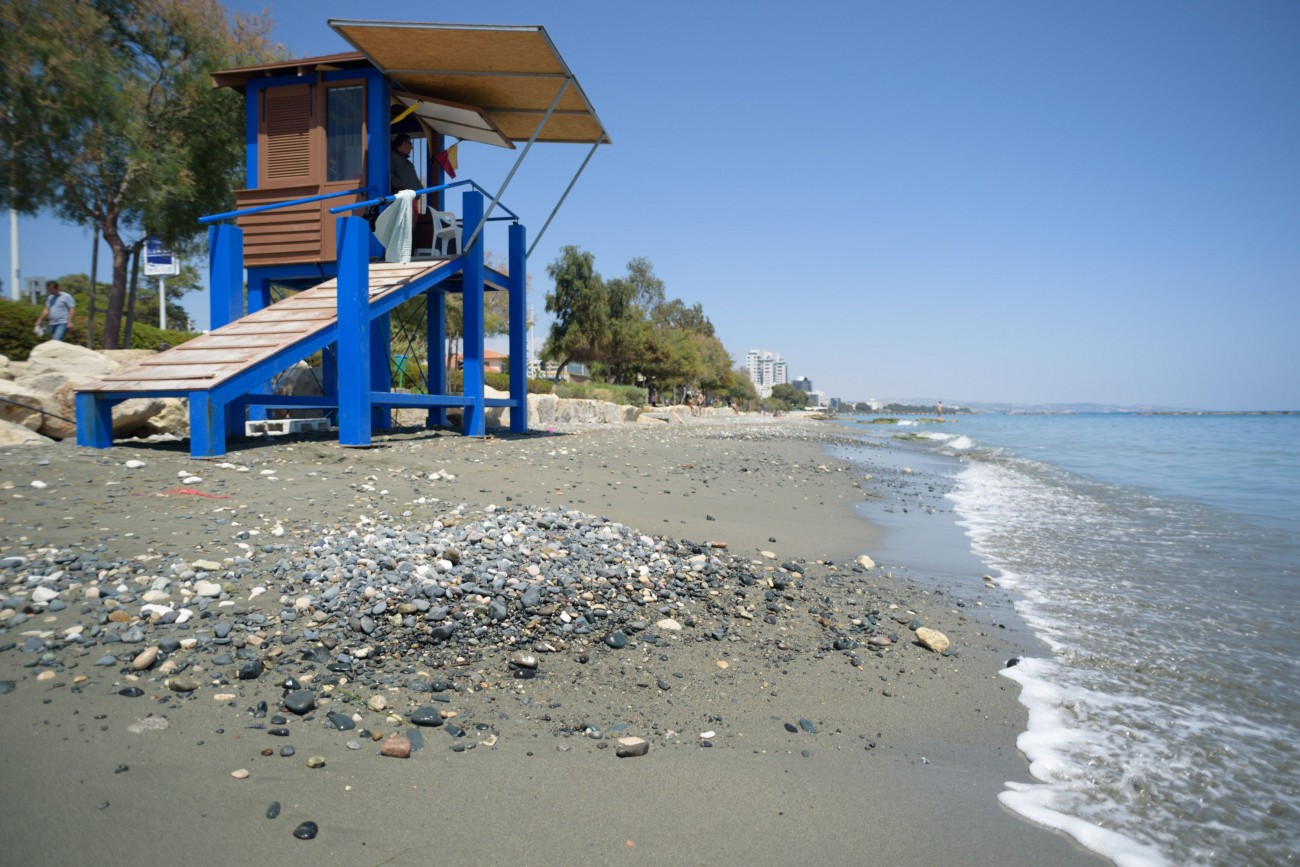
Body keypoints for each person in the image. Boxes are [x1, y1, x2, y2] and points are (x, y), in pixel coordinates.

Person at [390, 133, 433, 250]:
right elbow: (390, 176)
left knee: (411, 225)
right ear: (403, 143)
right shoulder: (392, 157)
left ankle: (406, 250)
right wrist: (401, 186)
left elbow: (415, 180)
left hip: (413, 198)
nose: (412, 148)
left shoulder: (409, 163)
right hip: (402, 197)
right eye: (410, 144)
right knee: (402, 225)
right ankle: (398, 250)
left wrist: (419, 189)